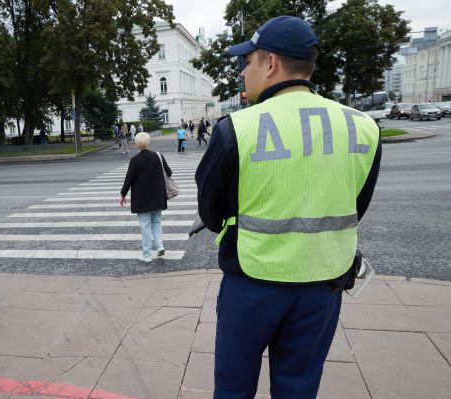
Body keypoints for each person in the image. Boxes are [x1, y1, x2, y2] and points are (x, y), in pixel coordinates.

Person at [195, 16, 381, 398]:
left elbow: (211, 213)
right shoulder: (363, 127)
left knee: (233, 387)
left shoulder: (237, 128)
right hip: (324, 284)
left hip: (253, 281)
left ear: (271, 63)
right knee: (298, 387)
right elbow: (356, 205)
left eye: (248, 62)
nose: (244, 72)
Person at [119, 132, 170, 262]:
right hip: (157, 197)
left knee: (145, 226)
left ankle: (147, 255)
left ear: (137, 144)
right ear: (148, 142)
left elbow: (128, 180)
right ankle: (160, 247)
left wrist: (123, 195)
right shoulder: (158, 156)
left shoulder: (135, 160)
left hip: (142, 200)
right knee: (157, 222)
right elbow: (169, 172)